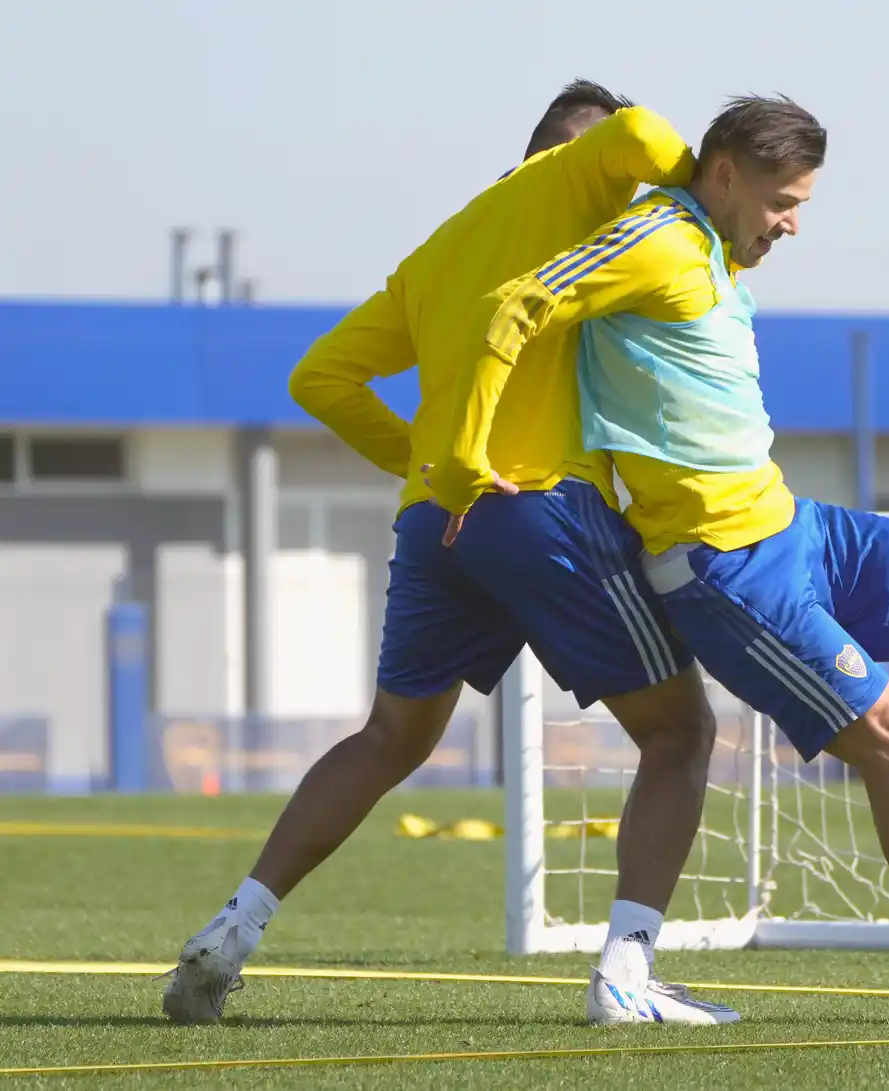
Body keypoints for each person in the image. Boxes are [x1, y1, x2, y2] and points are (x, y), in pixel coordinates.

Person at [426, 95, 889, 1029]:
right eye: (784, 201)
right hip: (726, 565)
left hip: (792, 524)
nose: (791, 223)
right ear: (726, 174)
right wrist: (464, 464)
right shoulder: (657, 237)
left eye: (804, 205)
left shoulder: (712, 245)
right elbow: (516, 304)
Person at [161, 80, 738, 1028]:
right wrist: (706, 189)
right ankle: (627, 979)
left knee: (389, 737)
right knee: (682, 735)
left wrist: (431, 463)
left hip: (440, 517)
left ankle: (235, 925)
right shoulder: (580, 181)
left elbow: (321, 377)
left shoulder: (440, 247)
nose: (637, 198)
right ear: (569, 153)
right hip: (540, 507)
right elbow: (635, 130)